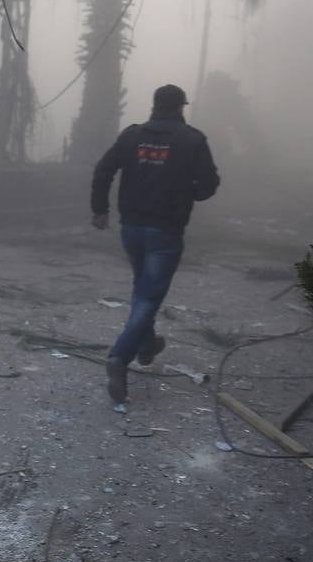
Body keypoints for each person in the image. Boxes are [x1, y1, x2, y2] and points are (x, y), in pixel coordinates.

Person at [91, 83, 220, 408]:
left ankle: (147, 346)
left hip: (131, 228)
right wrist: (188, 192)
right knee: (148, 297)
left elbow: (103, 169)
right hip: (165, 232)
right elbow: (208, 185)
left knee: (142, 288)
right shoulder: (192, 140)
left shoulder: (131, 136)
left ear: (154, 105)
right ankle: (119, 357)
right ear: (181, 107)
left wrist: (100, 209)